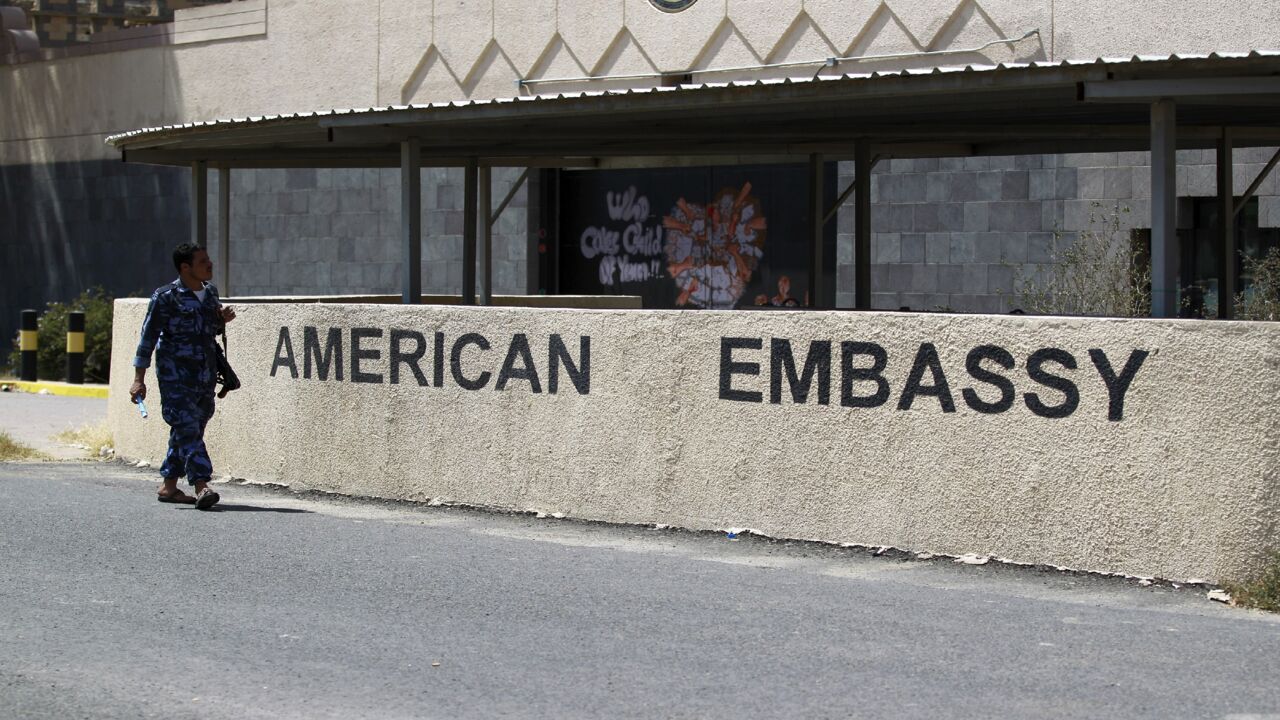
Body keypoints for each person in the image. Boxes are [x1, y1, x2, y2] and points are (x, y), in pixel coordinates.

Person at [129, 243, 237, 510]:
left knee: (191, 429)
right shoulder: (165, 297)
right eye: (203, 261)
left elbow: (208, 329)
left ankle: (169, 486)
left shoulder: (210, 293)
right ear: (185, 267)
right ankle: (202, 485)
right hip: (175, 375)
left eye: (208, 259)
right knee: (187, 426)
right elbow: (147, 338)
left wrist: (221, 320)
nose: (209, 265)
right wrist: (138, 378)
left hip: (205, 374)